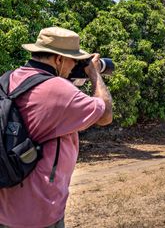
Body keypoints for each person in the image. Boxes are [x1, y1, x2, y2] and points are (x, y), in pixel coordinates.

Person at [0, 27, 113, 228]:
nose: (73, 66)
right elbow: (105, 115)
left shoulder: (8, 79)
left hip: (5, 208)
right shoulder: (59, 90)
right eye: (73, 60)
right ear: (58, 60)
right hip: (39, 213)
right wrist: (94, 73)